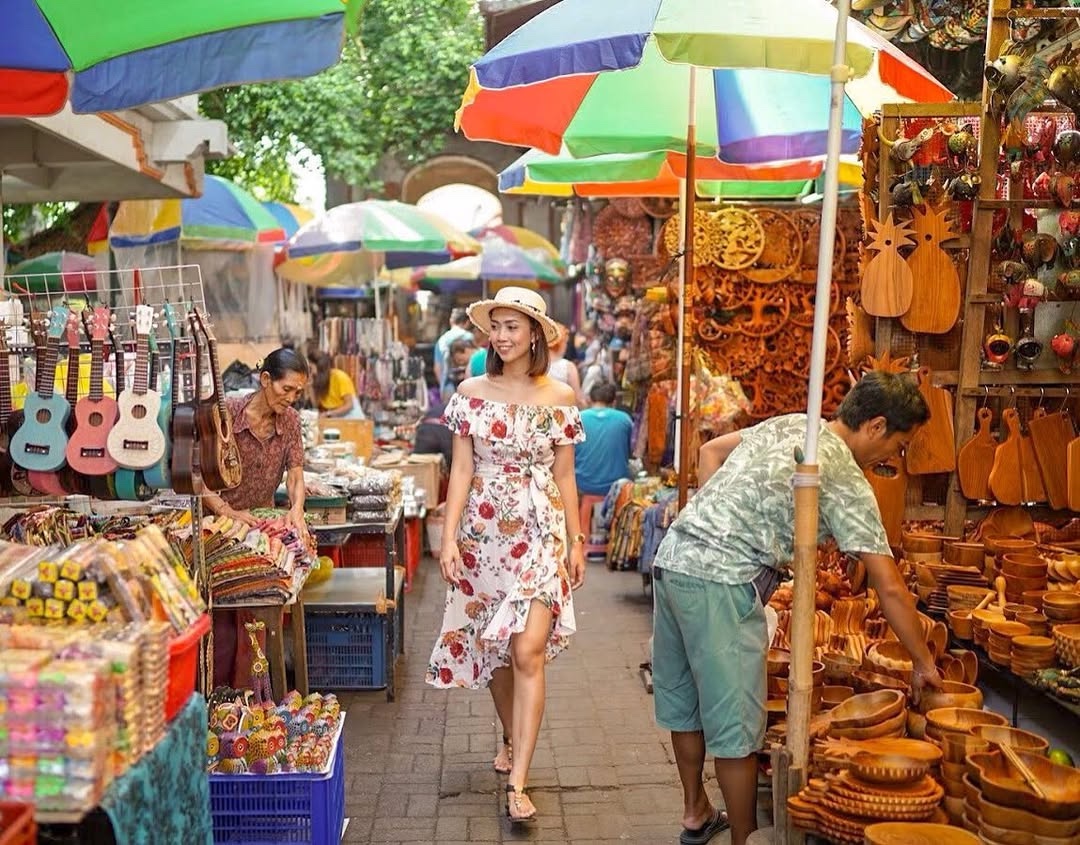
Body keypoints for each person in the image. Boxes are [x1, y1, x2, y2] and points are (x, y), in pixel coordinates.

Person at [651, 371, 942, 845]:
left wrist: (718, 520)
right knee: (736, 729)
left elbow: (710, 452)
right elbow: (888, 586)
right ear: (876, 425)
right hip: (721, 582)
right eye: (899, 444)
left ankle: (696, 813)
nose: (894, 456)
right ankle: (745, 838)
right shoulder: (844, 475)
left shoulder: (795, 424)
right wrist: (923, 662)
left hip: (675, 558)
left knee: (685, 707)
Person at [427, 286, 586, 824]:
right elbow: (462, 473)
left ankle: (518, 784)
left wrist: (578, 539)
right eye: (495, 326)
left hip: (541, 533)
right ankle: (511, 737)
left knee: (527, 651)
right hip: (483, 535)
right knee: (496, 652)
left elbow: (565, 475)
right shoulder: (470, 391)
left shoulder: (561, 395)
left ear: (535, 333)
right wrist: (447, 540)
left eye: (512, 326)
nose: (501, 335)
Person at [203, 348, 311, 687]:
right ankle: (221, 695)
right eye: (286, 389)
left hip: (258, 527)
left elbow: (295, 473)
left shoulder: (290, 421)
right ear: (265, 380)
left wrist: (296, 509)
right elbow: (195, 475)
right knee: (222, 624)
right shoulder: (227, 414)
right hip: (217, 524)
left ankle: (256, 696)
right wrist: (227, 511)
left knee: (258, 618)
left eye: (298, 392)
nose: (291, 398)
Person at [574, 381, 632, 496]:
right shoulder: (625, 419)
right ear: (614, 402)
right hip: (617, 486)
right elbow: (630, 450)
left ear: (590, 399)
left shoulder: (577, 419)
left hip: (583, 485)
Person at [308, 352, 362, 418]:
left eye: (311, 368)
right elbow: (315, 405)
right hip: (335, 416)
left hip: (351, 416)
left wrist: (328, 414)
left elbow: (349, 405)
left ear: (320, 367)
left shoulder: (339, 377)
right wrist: (310, 385)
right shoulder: (318, 382)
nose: (310, 371)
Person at [434, 307, 473, 398]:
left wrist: (443, 385)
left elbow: (437, 368)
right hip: (469, 388)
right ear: (467, 322)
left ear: (451, 322)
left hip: (448, 388)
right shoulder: (471, 338)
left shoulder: (441, 341)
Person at [546, 323, 584, 406]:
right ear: (560, 343)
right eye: (566, 343)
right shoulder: (568, 367)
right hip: (563, 413)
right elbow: (577, 399)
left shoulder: (535, 365)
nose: (566, 346)